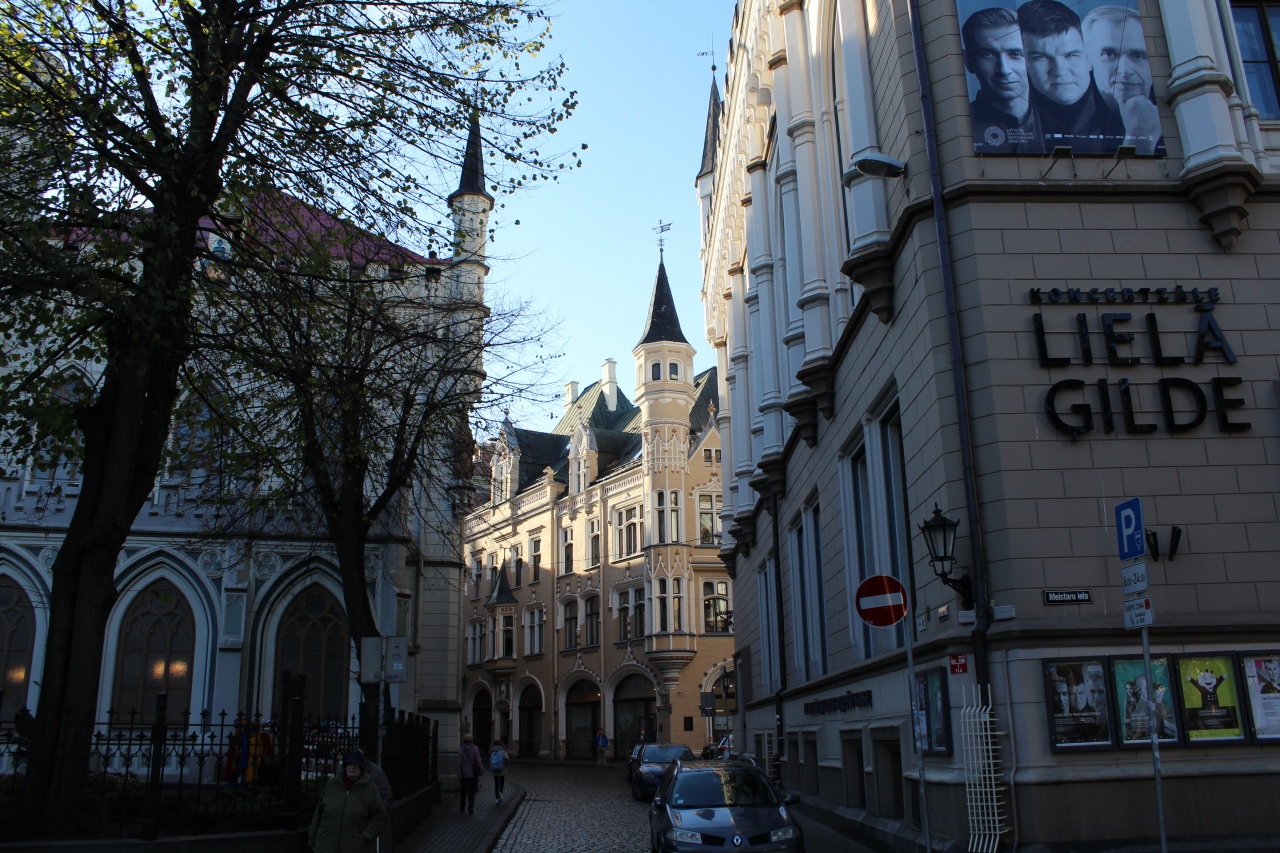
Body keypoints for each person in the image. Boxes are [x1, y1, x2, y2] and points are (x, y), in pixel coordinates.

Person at [1018, 0, 1122, 154]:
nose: (1059, 71)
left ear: (1089, 58)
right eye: (1041, 57)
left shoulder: (1122, 111)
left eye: (1071, 55)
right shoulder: (1002, 111)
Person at [1081, 5, 1162, 155]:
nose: (1125, 70)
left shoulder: (1173, 107)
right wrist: (1140, 142)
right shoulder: (1073, 121)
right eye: (1109, 54)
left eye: (1137, 56)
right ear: (1087, 59)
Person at [963, 7, 1043, 153]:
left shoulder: (1061, 121)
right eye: (988, 54)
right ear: (969, 62)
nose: (1004, 70)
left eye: (1016, 54)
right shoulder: (960, 125)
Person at [308, 751, 388, 853]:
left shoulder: (370, 789)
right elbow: (318, 814)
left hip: (355, 847)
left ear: (361, 768)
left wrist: (366, 836)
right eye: (349, 764)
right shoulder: (332, 785)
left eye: (356, 765)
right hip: (326, 845)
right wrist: (312, 840)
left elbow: (380, 817)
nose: (352, 767)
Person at [354, 750, 393, 853]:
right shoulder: (352, 773)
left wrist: (379, 813)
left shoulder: (377, 773)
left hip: (374, 821)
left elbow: (386, 795)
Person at [457, 733, 484, 815]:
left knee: (463, 791)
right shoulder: (475, 749)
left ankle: (462, 807)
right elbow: (478, 760)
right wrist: (481, 769)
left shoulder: (461, 749)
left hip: (463, 774)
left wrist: (459, 773)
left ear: (464, 741)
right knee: (471, 792)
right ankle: (470, 809)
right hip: (472, 774)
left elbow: (459, 763)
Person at [489, 738, 511, 803]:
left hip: (494, 769)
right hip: (501, 768)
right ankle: (501, 793)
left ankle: (496, 798)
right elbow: (507, 758)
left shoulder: (491, 751)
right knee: (502, 781)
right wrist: (508, 763)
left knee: (496, 783)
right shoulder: (503, 751)